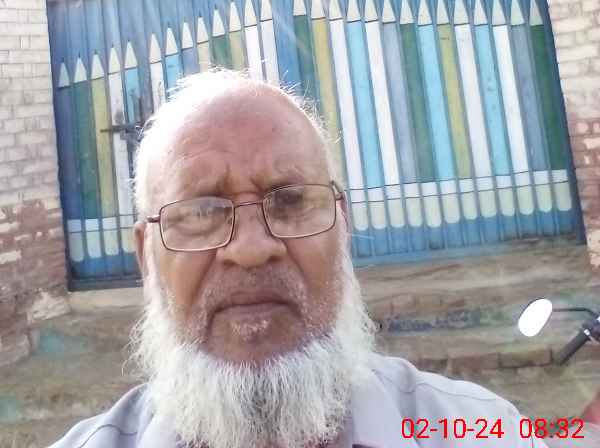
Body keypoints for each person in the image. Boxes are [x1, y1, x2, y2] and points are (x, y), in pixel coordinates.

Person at [50, 69, 588, 447]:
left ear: (343, 227)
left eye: (290, 201)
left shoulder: (482, 431)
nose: (251, 249)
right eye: (201, 212)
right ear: (147, 256)